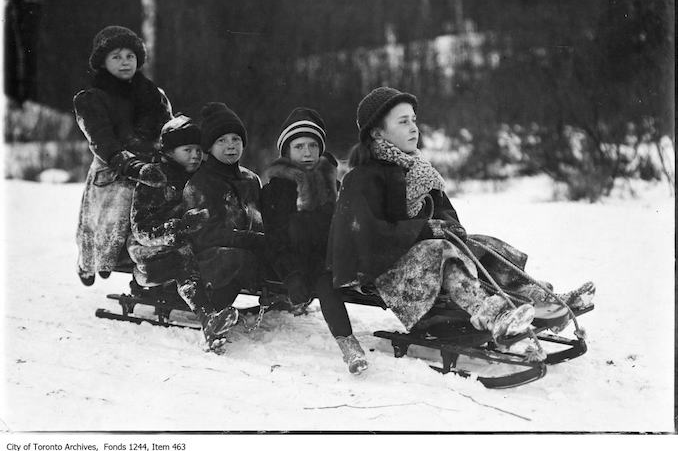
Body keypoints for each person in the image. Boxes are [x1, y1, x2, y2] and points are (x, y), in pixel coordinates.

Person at [326, 86, 595, 373]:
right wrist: (425, 230)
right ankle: (493, 316)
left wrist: (449, 227)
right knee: (441, 251)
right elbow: (365, 236)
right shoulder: (362, 179)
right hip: (385, 271)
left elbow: (447, 218)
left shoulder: (420, 172)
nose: (413, 128)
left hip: (419, 259)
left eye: (414, 120)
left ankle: (540, 297)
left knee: (483, 245)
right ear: (377, 133)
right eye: (403, 121)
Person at [127, 115, 238, 349]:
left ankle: (216, 299)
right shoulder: (154, 179)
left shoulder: (199, 176)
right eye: (187, 149)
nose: (196, 155)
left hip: (188, 243)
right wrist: (180, 228)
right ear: (169, 152)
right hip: (150, 250)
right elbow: (141, 230)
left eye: (199, 150)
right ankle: (208, 318)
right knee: (183, 250)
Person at [73, 25, 173, 286]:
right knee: (105, 236)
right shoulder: (91, 98)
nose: (124, 62)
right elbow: (101, 139)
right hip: (114, 174)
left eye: (129, 56)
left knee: (153, 225)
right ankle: (90, 264)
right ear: (103, 62)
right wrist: (126, 163)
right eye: (116, 56)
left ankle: (150, 272)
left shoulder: (153, 94)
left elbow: (169, 128)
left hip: (152, 171)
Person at [183, 102, 265, 310]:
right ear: (209, 147)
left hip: (252, 249)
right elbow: (204, 235)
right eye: (221, 140)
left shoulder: (251, 179)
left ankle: (283, 294)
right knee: (235, 258)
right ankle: (213, 311)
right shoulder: (200, 183)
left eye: (236, 139)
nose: (231, 145)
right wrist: (251, 240)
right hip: (211, 257)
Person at [261, 108, 339, 317]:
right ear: (287, 152)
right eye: (299, 147)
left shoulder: (333, 186)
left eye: (313, 145)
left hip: (325, 266)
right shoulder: (274, 191)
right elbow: (275, 239)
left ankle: (347, 342)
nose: (307, 153)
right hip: (289, 267)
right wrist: (292, 275)